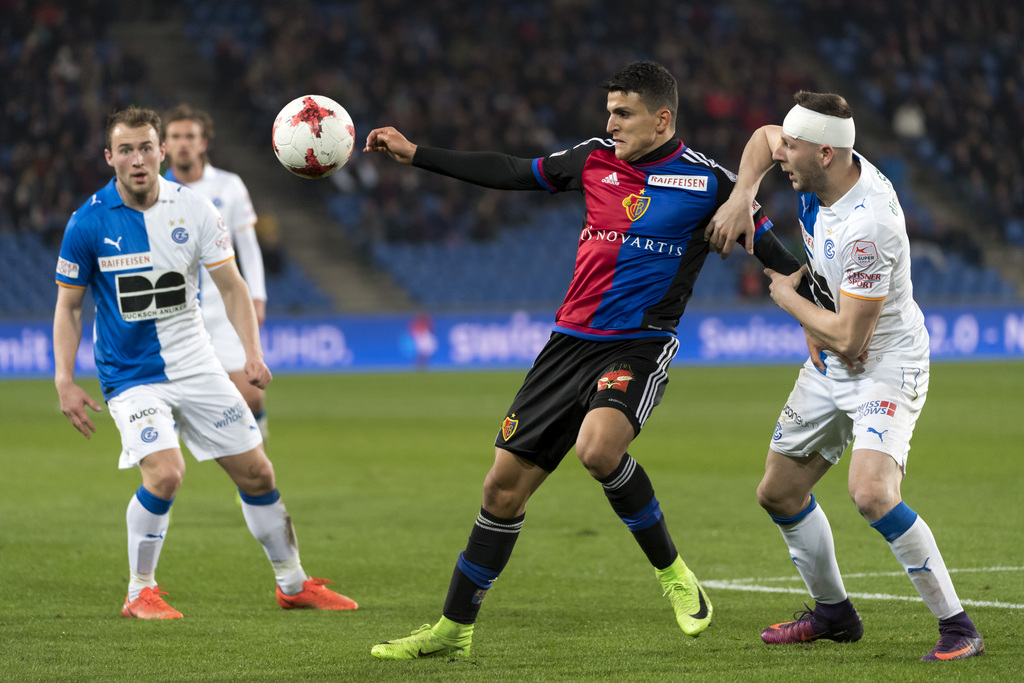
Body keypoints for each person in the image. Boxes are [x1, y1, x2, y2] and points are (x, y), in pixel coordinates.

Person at [363, 61, 811, 659]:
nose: (611, 123)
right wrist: (416, 153)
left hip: (639, 344)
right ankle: (454, 629)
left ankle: (676, 575)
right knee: (500, 490)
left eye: (623, 114)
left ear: (662, 118)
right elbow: (512, 173)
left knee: (598, 449)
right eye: (609, 112)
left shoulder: (711, 186)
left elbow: (783, 260)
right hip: (566, 345)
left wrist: (824, 324)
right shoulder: (594, 158)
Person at [705, 91, 984, 661]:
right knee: (779, 492)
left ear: (826, 155)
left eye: (794, 149)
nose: (782, 155)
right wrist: (742, 197)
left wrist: (788, 298)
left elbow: (853, 339)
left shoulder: (868, 224)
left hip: (884, 363)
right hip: (832, 359)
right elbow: (761, 139)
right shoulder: (821, 171)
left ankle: (958, 628)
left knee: (871, 492)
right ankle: (833, 614)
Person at [53, 106, 357, 619]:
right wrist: (64, 378)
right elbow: (69, 307)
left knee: (258, 474)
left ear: (162, 152)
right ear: (110, 157)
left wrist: (252, 354)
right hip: (132, 378)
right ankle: (139, 592)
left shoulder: (195, 209)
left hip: (198, 366)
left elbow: (232, 286)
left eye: (146, 147)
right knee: (166, 474)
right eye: (125, 149)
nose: (137, 159)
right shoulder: (86, 223)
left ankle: (293, 583)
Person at [162, 104, 270, 443]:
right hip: (172, 314)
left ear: (203, 142)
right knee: (168, 408)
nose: (182, 143)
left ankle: (256, 482)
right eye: (175, 136)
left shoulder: (229, 186)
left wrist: (258, 295)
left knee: (251, 394)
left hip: (222, 307)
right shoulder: (152, 191)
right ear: (164, 144)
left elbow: (248, 245)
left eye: (189, 136)